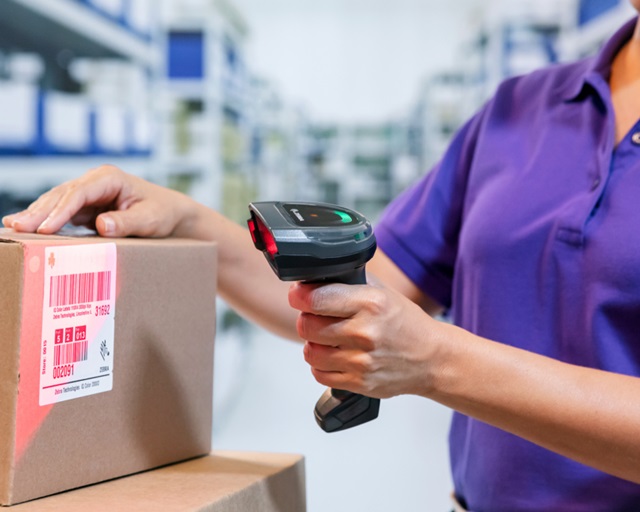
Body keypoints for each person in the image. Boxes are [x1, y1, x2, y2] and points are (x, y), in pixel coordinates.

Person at [4, 4, 640, 511]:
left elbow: (418, 348)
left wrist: (439, 363)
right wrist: (183, 218)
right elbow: (359, 296)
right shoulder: (517, 110)